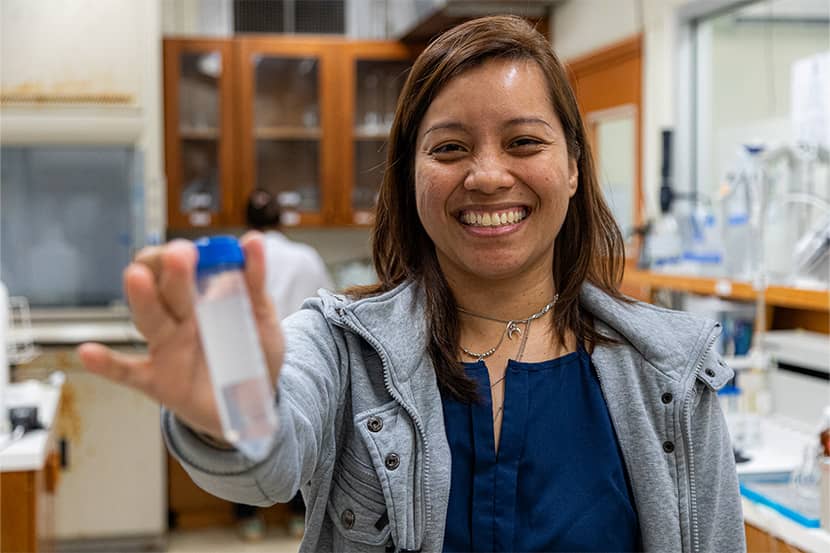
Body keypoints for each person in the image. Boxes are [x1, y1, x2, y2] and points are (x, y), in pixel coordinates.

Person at [78, 15, 745, 553]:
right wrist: (234, 417)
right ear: (409, 177)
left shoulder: (671, 373)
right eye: (450, 148)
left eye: (523, 142)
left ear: (573, 167)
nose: (486, 175)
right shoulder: (342, 347)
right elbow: (267, 461)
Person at [232, 189, 334, 540]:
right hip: (298, 358)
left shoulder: (235, 257)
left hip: (247, 357)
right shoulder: (305, 257)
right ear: (281, 219)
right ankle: (297, 516)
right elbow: (328, 304)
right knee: (302, 432)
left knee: (247, 438)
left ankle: (249, 519)